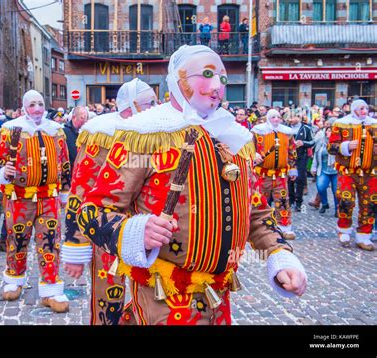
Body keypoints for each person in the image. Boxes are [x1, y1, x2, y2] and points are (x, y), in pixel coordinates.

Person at [77, 45, 307, 325]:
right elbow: (93, 210)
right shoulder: (144, 134)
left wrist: (279, 254)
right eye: (206, 74)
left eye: (222, 78)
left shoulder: (234, 138)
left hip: (219, 294)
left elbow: (256, 211)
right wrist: (134, 231)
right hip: (161, 295)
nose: (217, 86)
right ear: (178, 80)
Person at [63, 78, 158, 325]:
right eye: (149, 103)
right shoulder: (101, 135)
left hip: (148, 231)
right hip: (107, 229)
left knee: (150, 298)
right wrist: (75, 244)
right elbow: (80, 191)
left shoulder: (160, 133)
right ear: (129, 108)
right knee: (108, 299)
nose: (155, 108)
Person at [0, 90, 71, 312]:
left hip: (48, 197)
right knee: (17, 239)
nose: (37, 108)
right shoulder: (10, 130)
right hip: (19, 197)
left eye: (40, 103)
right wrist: (2, 171)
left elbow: (64, 163)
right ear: (24, 107)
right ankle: (14, 278)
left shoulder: (56, 131)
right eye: (32, 104)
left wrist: (65, 190)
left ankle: (51, 289)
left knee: (50, 240)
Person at [328, 99, 376, 251]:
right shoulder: (341, 124)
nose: (364, 111)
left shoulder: (374, 125)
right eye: (361, 108)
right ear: (354, 109)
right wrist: (345, 146)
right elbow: (331, 147)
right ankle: (344, 229)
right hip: (348, 171)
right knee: (346, 200)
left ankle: (364, 234)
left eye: (366, 108)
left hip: (370, 172)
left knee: (370, 204)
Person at [252, 109, 298, 240]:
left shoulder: (287, 133)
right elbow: (249, 147)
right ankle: (259, 227)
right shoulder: (258, 131)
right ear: (268, 118)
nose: (276, 120)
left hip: (280, 175)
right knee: (260, 200)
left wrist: (293, 168)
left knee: (283, 200)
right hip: (262, 174)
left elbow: (292, 152)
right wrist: (254, 155)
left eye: (278, 117)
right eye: (273, 117)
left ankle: (285, 227)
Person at [288, 113, 314, 212]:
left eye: (293, 117)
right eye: (289, 117)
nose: (291, 119)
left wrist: (303, 143)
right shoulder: (285, 128)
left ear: (298, 118)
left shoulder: (306, 128)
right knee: (289, 178)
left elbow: (312, 141)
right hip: (289, 158)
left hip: (301, 156)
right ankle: (291, 199)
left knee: (299, 178)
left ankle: (299, 201)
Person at [311, 126, 337, 216]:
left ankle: (338, 209)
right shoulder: (321, 142)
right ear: (326, 132)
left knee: (336, 191)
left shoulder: (339, 143)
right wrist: (313, 167)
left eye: (332, 131)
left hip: (336, 170)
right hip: (323, 168)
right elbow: (316, 154)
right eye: (328, 130)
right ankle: (325, 204)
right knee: (320, 186)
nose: (330, 132)